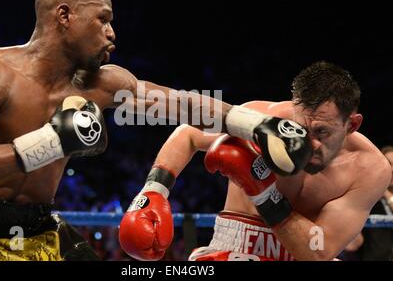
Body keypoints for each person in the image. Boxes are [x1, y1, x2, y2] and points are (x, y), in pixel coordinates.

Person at [0, 0, 311, 261]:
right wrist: (51, 143)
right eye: (102, 20)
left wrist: (254, 125)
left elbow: (181, 105)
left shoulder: (101, 84)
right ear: (64, 16)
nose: (111, 33)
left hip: (37, 229)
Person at [119, 61, 392, 261]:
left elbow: (319, 252)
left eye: (321, 132)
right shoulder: (262, 121)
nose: (307, 144)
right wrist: (154, 190)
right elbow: (188, 134)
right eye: (299, 128)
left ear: (352, 124)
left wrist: (262, 192)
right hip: (235, 247)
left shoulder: (369, 169)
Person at [340, 145, 393, 260]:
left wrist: (386, 193)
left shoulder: (386, 195)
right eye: (389, 164)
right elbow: (353, 245)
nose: (392, 169)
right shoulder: (368, 195)